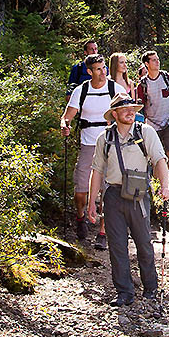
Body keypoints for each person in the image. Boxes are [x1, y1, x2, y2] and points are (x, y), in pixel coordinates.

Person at [88, 94, 169, 307]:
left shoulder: (146, 132)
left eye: (132, 108)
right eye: (124, 109)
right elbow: (97, 170)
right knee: (117, 245)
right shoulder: (104, 138)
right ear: (114, 114)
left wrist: (165, 186)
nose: (130, 112)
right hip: (113, 195)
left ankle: (151, 288)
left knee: (144, 242)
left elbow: (160, 160)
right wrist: (92, 202)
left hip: (139, 194)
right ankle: (124, 292)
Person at [61, 54, 118, 242]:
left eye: (104, 68)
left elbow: (127, 111)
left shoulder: (114, 89)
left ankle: (102, 232)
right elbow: (67, 115)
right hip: (87, 144)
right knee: (80, 190)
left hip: (110, 144)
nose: (103, 72)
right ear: (89, 71)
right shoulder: (81, 90)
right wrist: (65, 125)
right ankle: (81, 218)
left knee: (107, 190)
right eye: (99, 69)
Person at [136, 51, 169, 173]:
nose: (157, 62)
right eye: (154, 60)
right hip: (152, 124)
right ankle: (158, 182)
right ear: (147, 64)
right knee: (156, 155)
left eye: (158, 59)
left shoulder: (168, 78)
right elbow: (141, 107)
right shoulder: (142, 85)